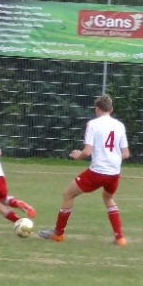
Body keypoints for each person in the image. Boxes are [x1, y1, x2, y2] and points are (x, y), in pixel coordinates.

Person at [38, 94, 130, 244]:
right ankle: (120, 237)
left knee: (68, 194)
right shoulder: (119, 125)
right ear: (111, 109)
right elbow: (125, 154)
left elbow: (87, 152)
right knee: (108, 198)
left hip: (98, 171)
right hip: (114, 173)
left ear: (97, 109)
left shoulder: (93, 124)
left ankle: (58, 233)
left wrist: (77, 155)